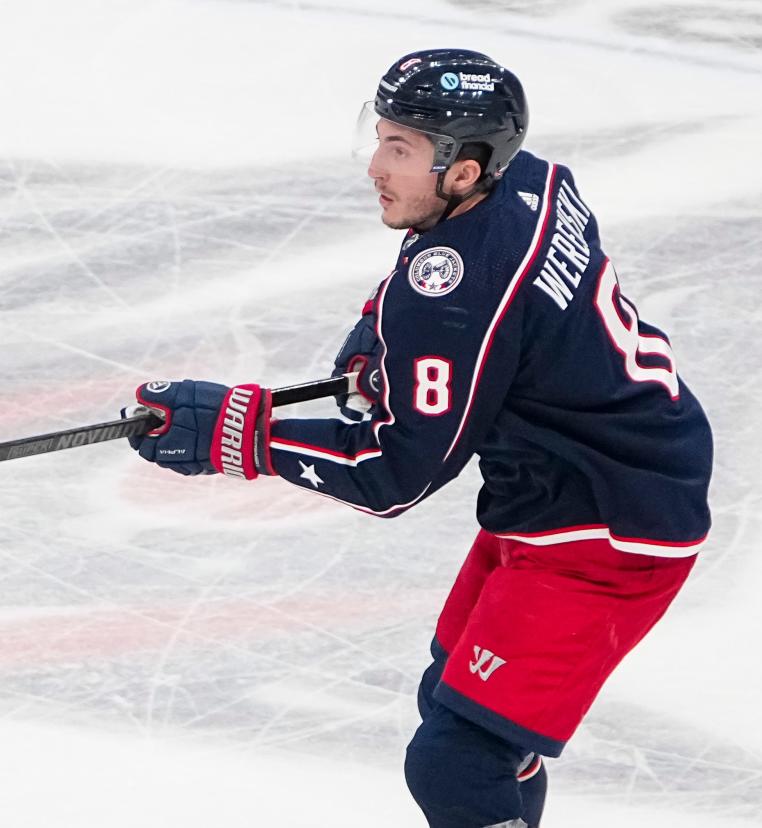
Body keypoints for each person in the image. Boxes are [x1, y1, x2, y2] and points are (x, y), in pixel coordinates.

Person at [124, 48, 713, 828]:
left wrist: (240, 432)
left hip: (606, 528)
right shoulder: (528, 179)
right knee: (458, 704)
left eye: (400, 149)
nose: (376, 164)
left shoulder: (457, 293)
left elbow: (390, 475)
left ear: (464, 170)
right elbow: (447, 285)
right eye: (382, 137)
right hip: (582, 481)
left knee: (457, 760)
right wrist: (378, 332)